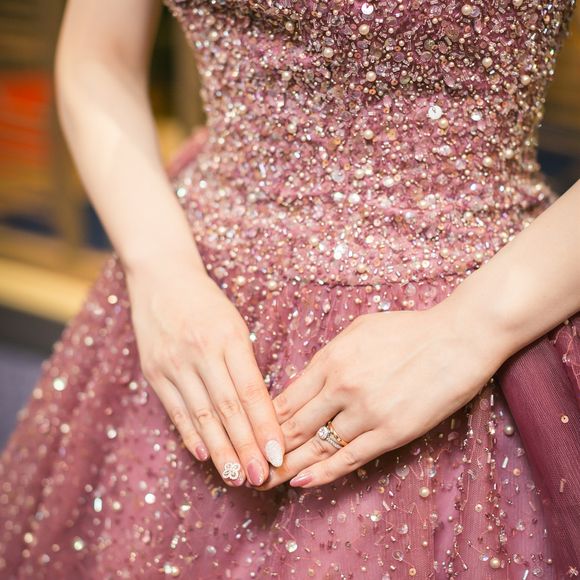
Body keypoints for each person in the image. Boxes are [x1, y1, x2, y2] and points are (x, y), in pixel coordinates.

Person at [0, 0, 578, 577]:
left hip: (488, 302)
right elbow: (99, 56)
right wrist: (159, 270)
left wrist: (468, 330)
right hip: (194, 295)